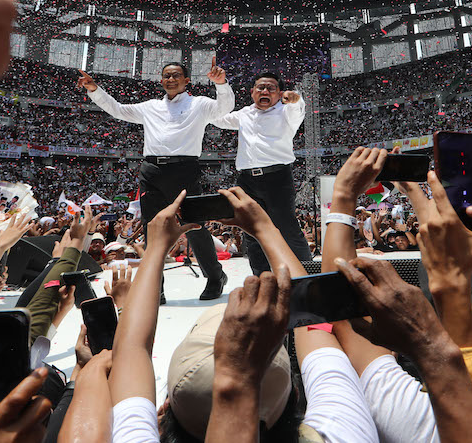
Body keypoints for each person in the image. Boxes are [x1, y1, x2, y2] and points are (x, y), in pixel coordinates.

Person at [77, 60, 233, 300]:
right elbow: (118, 109)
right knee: (153, 231)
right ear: (161, 81)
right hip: (152, 171)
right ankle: (155, 286)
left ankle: (215, 277)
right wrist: (94, 90)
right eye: (166, 76)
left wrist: (221, 85)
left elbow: (224, 109)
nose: (171, 79)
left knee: (195, 227)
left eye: (176, 75)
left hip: (184, 169)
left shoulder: (199, 104)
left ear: (187, 80)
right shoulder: (150, 107)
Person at [211, 72, 311, 274]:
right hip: (247, 180)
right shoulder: (244, 113)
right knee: (251, 232)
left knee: (287, 228)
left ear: (280, 93)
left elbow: (297, 108)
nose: (265, 91)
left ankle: (308, 275)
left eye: (271, 88)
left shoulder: (285, 112)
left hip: (277, 178)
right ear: (252, 92)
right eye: (260, 88)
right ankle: (262, 278)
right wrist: (221, 85)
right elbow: (217, 118)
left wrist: (295, 98)